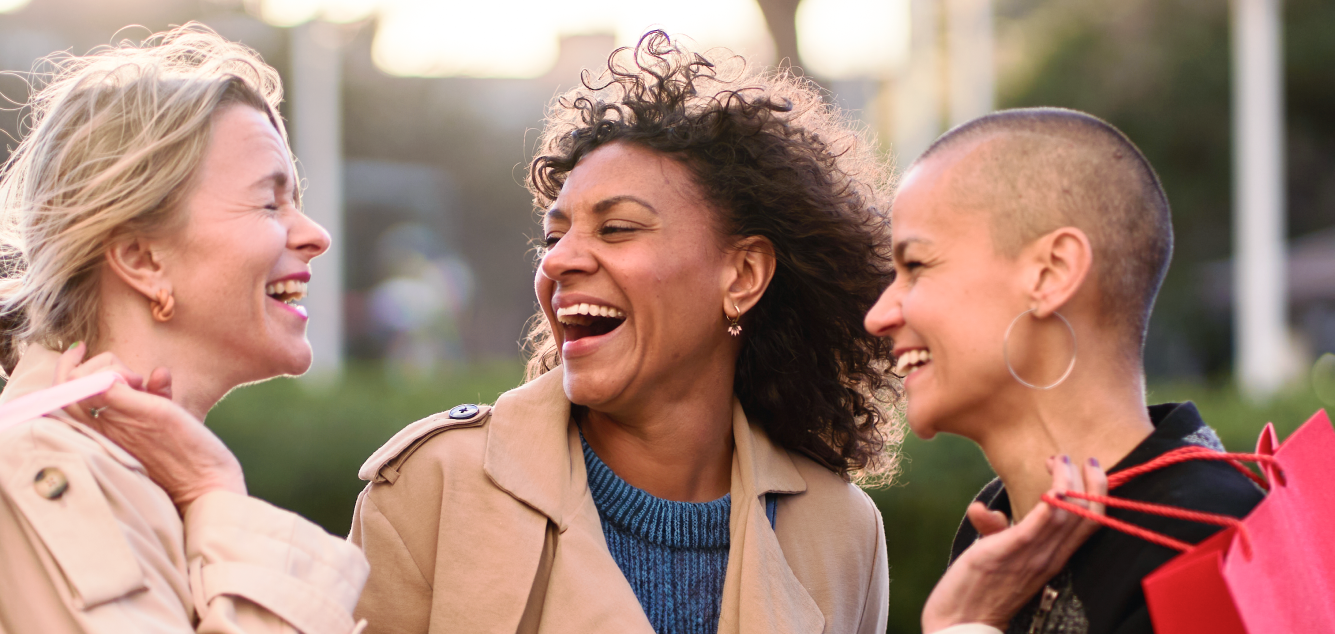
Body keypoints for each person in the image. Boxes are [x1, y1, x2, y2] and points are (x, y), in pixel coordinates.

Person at [347, 32, 1106, 634]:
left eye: (616, 228)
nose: (563, 261)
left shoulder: (841, 532)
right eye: (555, 237)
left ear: (742, 275)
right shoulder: (434, 488)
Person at [0, 24, 369, 633]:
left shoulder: (99, 468)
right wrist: (215, 490)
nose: (316, 234)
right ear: (141, 258)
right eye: (270, 202)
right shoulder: (47, 470)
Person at [863, 107, 1266, 633]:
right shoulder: (998, 527)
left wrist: (964, 624)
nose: (878, 316)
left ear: (1051, 274)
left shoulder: (1217, 544)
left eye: (915, 266)